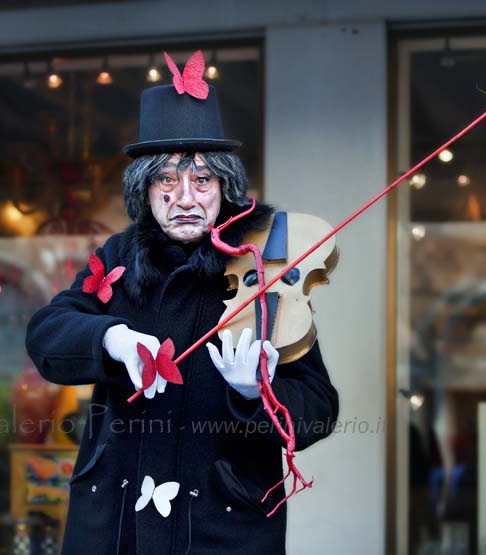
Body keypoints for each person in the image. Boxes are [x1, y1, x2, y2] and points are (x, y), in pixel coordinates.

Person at [25, 51, 339, 555]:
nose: (186, 198)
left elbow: (320, 406)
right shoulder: (119, 255)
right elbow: (46, 331)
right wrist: (110, 338)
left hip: (222, 526)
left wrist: (258, 392)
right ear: (145, 190)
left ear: (225, 186)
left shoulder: (264, 264)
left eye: (202, 179)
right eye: (167, 179)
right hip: (115, 524)